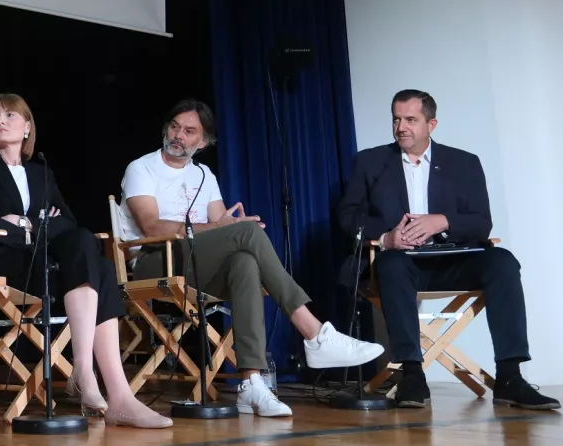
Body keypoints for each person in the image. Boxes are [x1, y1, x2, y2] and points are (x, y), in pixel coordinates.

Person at [118, 99, 383, 417]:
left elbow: (221, 228)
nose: (179, 135)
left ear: (202, 142)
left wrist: (228, 226)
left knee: (243, 260)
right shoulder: (142, 168)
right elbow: (151, 225)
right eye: (175, 127)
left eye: (189, 131)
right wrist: (226, 227)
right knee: (246, 234)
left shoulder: (204, 175)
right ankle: (314, 333)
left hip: (194, 262)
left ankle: (251, 384)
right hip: (154, 259)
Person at [0, 93, 173, 429]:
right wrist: (39, 222)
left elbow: (68, 224)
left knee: (88, 248)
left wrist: (24, 221)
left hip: (49, 267)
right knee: (98, 267)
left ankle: (108, 389)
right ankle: (99, 383)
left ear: (28, 127)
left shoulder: (42, 172)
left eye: (9, 115)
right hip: (5, 266)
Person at [337, 89, 558, 410]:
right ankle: (412, 375)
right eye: (397, 119)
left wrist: (441, 221)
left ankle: (510, 376)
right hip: (402, 262)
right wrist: (386, 238)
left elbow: (482, 223)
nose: (402, 127)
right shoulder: (371, 162)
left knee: (503, 261)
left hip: (454, 260)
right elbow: (347, 217)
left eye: (411, 120)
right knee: (391, 265)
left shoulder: (463, 162)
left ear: (432, 124)